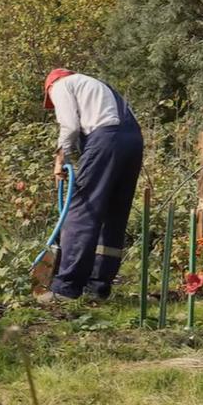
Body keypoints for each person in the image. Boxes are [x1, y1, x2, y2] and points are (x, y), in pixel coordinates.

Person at [37, 69, 144, 303]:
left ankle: (65, 288)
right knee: (114, 214)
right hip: (134, 141)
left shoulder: (61, 85)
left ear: (50, 87)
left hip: (106, 138)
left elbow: (70, 126)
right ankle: (98, 286)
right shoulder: (98, 85)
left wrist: (60, 158)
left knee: (82, 210)